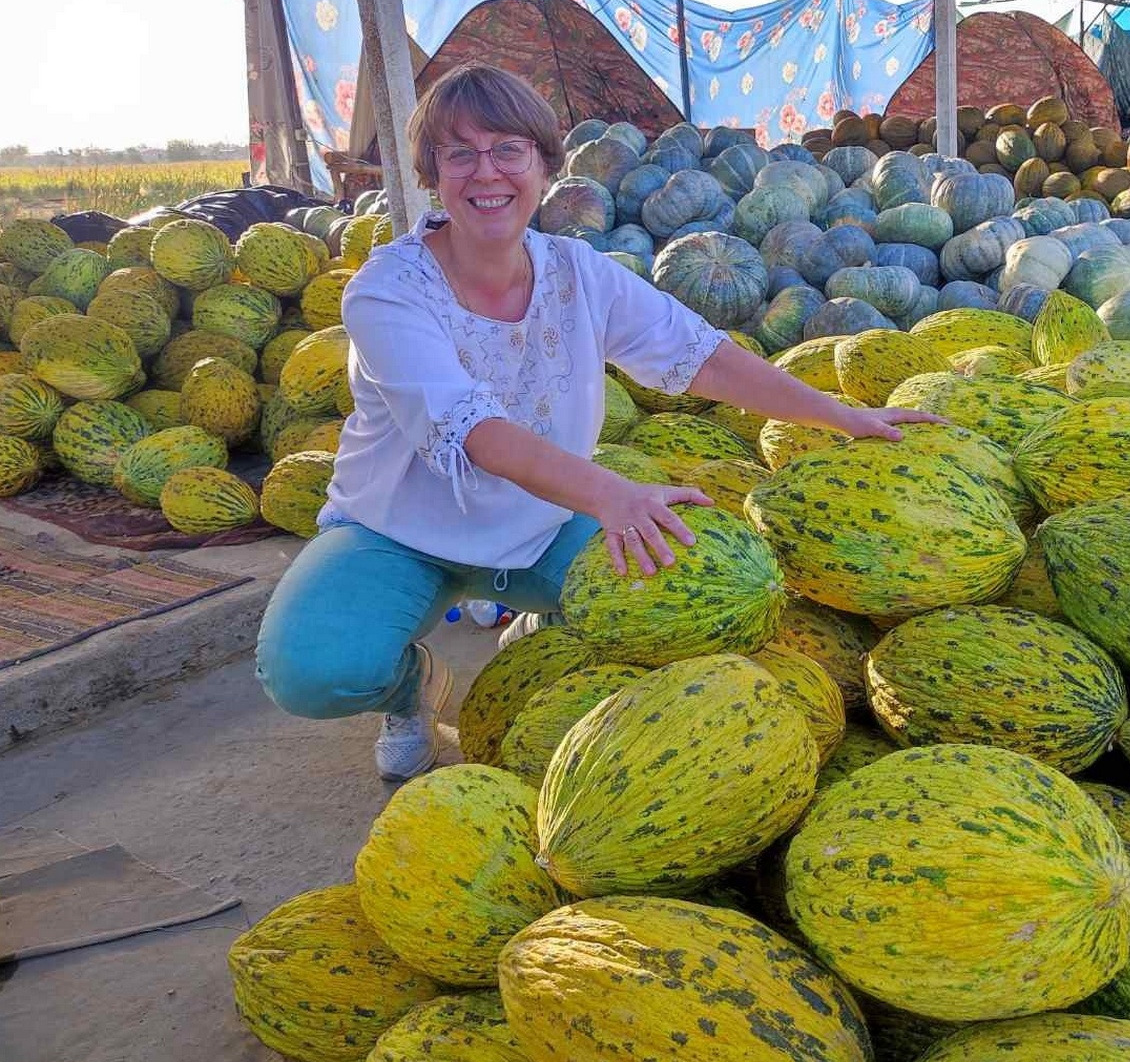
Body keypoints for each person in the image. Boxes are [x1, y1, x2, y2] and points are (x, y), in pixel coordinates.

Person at [253, 63, 940, 781]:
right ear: (433, 174)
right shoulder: (388, 291)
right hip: (398, 531)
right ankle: (410, 688)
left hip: (544, 520)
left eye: (508, 150)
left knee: (701, 599)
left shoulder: (579, 272)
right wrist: (613, 495)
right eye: (460, 154)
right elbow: (473, 432)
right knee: (312, 671)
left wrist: (838, 414)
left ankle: (546, 616)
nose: (486, 172)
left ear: (546, 165)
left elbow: (703, 356)